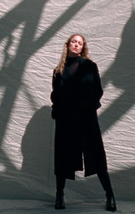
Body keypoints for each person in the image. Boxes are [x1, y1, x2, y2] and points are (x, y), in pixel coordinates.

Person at [50, 34, 116, 212]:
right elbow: (55, 95)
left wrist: (89, 107)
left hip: (86, 117)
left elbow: (98, 90)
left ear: (83, 47)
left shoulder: (90, 67)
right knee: (63, 157)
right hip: (66, 119)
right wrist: (57, 111)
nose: (76, 45)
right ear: (68, 45)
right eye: (74, 41)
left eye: (80, 43)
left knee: (96, 156)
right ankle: (59, 195)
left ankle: (109, 195)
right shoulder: (58, 70)